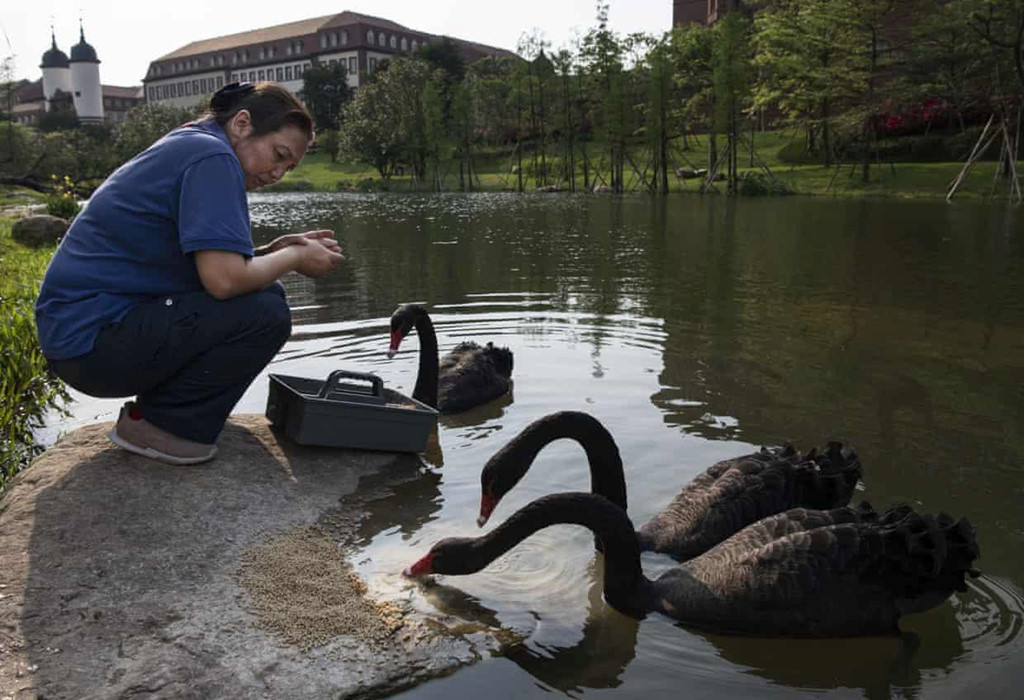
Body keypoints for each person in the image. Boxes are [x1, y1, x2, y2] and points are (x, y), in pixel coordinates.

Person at [35, 81, 344, 466]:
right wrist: (297, 256)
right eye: (278, 155)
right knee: (267, 314)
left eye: (290, 166)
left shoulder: (195, 143)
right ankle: (164, 428)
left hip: (82, 341)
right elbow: (224, 281)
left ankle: (165, 416)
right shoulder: (212, 157)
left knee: (267, 295)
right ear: (243, 123)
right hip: (92, 344)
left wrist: (273, 252)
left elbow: (204, 266)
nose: (279, 172)